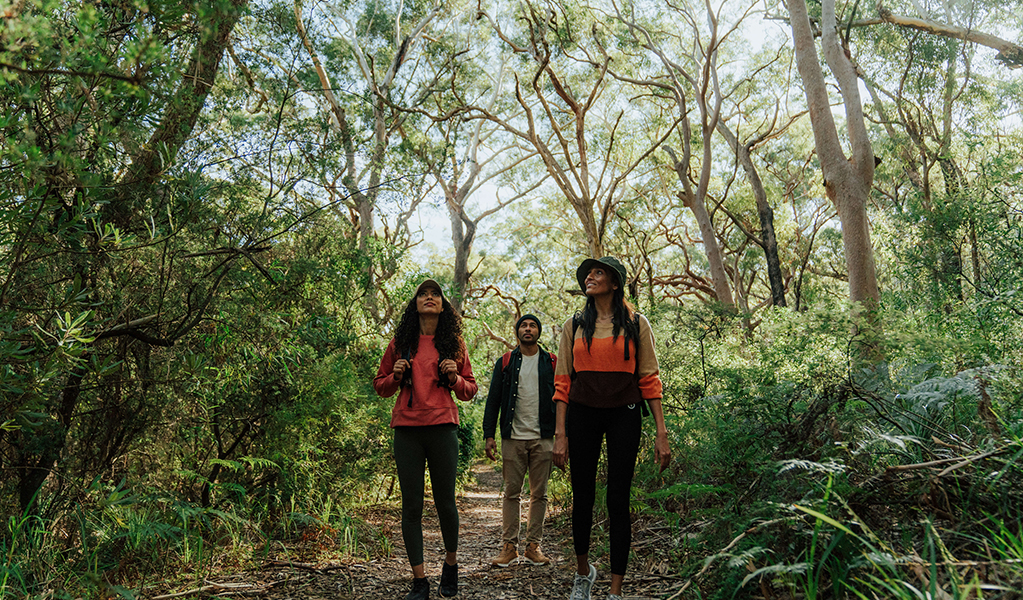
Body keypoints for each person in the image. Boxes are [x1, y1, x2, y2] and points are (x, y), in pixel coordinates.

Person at [552, 257, 671, 600]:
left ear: (615, 283)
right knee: (583, 496)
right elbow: (562, 382)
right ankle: (582, 574)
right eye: (588, 273)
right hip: (582, 413)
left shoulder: (636, 324)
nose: (590, 276)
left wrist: (661, 434)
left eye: (598, 272)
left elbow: (649, 378)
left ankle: (616, 592)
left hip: (625, 413)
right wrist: (561, 435)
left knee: (618, 499)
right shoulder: (573, 325)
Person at [373, 279, 478, 600]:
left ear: (443, 305)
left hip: (443, 428)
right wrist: (396, 375)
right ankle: (419, 581)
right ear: (414, 304)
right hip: (406, 431)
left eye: (435, 294)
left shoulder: (455, 344)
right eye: (423, 294)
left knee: (446, 502)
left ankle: (450, 565)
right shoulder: (400, 343)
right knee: (411, 507)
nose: (429, 298)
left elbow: (470, 390)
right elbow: (381, 386)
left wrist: (455, 376)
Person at [482, 314, 557, 568]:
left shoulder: (551, 361)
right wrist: (489, 435)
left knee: (540, 494)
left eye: (532, 325)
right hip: (512, 437)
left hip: (543, 437)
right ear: (517, 332)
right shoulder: (505, 362)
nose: (528, 329)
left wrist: (563, 436)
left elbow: (564, 398)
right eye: (523, 325)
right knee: (511, 493)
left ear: (538, 331)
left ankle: (533, 546)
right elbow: (493, 399)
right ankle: (509, 547)